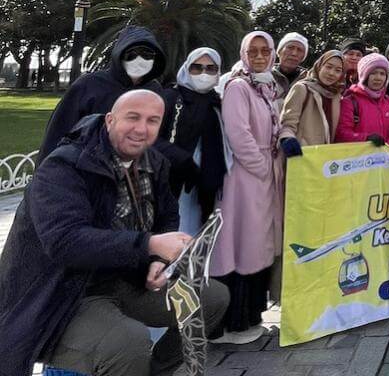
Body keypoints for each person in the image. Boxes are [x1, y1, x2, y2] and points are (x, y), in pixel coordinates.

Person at [0, 90, 228, 376]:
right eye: (132, 117)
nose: (141, 128)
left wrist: (159, 261)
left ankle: (155, 371)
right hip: (64, 291)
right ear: (110, 120)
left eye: (152, 120)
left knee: (212, 297)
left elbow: (167, 215)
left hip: (125, 279)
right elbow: (65, 242)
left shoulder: (153, 163)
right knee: (127, 342)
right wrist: (150, 244)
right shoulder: (65, 166)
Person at [210, 30, 284, 344]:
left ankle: (251, 316)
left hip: (265, 176)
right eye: (252, 50)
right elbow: (238, 133)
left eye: (265, 50)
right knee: (241, 243)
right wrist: (262, 165)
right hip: (245, 177)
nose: (258, 56)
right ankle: (231, 323)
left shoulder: (268, 86)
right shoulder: (239, 86)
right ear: (243, 53)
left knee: (258, 244)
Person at [40, 25, 167, 158]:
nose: (139, 60)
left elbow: (159, 135)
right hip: (87, 166)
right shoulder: (88, 85)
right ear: (120, 54)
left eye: (147, 55)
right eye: (132, 54)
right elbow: (58, 131)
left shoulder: (154, 91)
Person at [156, 47, 228, 232]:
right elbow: (150, 138)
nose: (204, 73)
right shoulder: (170, 98)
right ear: (186, 68)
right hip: (172, 181)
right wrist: (183, 160)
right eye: (197, 67)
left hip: (205, 186)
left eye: (211, 68)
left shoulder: (218, 103)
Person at [278, 49, 346, 154]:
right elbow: (287, 122)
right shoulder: (302, 88)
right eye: (328, 67)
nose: (331, 73)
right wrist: (287, 138)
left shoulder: (336, 96)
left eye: (338, 70)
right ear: (319, 66)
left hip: (325, 158)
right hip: (302, 155)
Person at [335, 53, 389, 148]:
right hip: (358, 159)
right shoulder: (350, 101)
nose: (378, 78)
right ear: (364, 76)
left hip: (386, 158)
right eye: (373, 73)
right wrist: (366, 138)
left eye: (382, 74)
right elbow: (342, 133)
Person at [272, 32, 309, 98]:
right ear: (279, 52)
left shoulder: (308, 81)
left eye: (299, 50)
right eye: (290, 48)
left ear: (303, 57)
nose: (294, 53)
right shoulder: (264, 76)